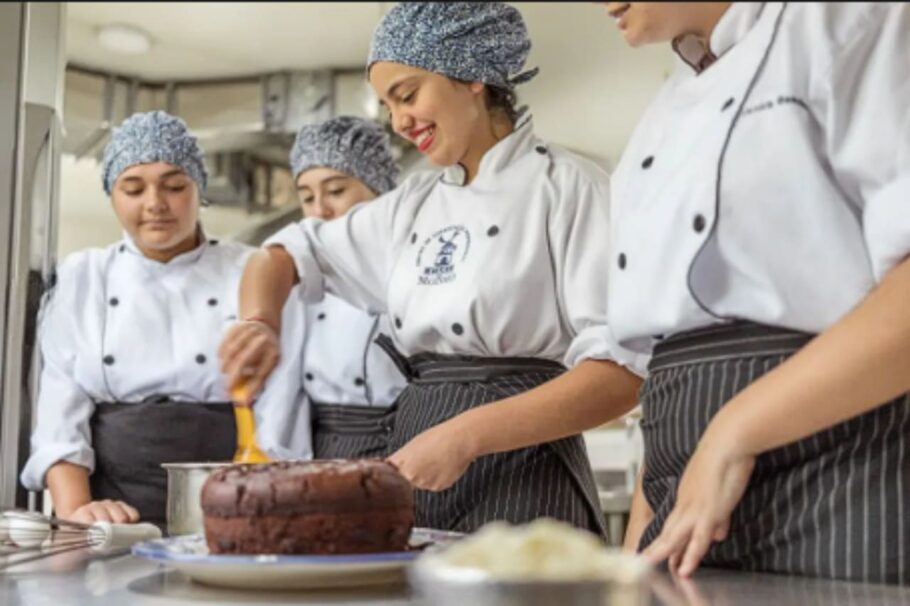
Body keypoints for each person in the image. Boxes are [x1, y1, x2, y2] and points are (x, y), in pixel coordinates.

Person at [219, 2, 643, 538]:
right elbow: (284, 252)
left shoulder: (569, 187)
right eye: (388, 104)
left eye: (408, 94)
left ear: (471, 78)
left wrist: (466, 436)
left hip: (528, 470)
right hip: (420, 454)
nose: (399, 121)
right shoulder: (413, 203)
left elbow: (621, 374)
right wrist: (259, 321)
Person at [604, 2, 910, 583]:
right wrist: (638, 537)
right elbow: (672, 359)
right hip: (684, 494)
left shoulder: (849, 21)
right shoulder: (656, 119)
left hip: (840, 473)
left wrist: (734, 430)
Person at [20, 110, 305, 526]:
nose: (155, 204)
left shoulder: (254, 273)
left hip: (239, 496)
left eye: (174, 186)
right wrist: (78, 514)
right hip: (113, 509)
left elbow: (281, 407)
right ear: (112, 196)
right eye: (132, 188)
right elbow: (61, 409)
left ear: (200, 189)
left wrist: (264, 506)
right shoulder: (84, 277)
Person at [283, 115, 407, 458]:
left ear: (380, 188)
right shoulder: (301, 275)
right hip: (330, 447)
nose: (320, 210)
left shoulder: (417, 261)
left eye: (336, 191)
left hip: (415, 442)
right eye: (307, 198)